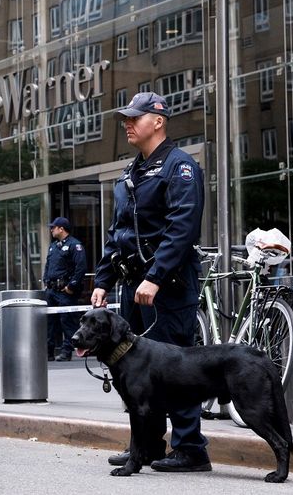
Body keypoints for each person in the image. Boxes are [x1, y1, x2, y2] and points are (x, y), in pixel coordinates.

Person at [90, 92, 210, 473]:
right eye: (126, 119)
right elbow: (118, 232)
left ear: (158, 121)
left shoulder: (179, 167)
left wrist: (155, 277)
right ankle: (145, 447)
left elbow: (181, 229)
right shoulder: (131, 172)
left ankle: (191, 448)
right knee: (139, 372)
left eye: (134, 118)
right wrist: (103, 279)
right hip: (133, 286)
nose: (127, 124)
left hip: (167, 286)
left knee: (178, 369)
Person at [42, 217, 87, 362]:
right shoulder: (53, 246)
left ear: (61, 229)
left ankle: (66, 352)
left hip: (65, 291)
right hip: (51, 290)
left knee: (67, 321)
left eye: (53, 227)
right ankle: (48, 352)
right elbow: (48, 266)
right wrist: (46, 281)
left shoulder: (75, 245)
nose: (51, 230)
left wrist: (71, 286)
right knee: (50, 322)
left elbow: (81, 268)